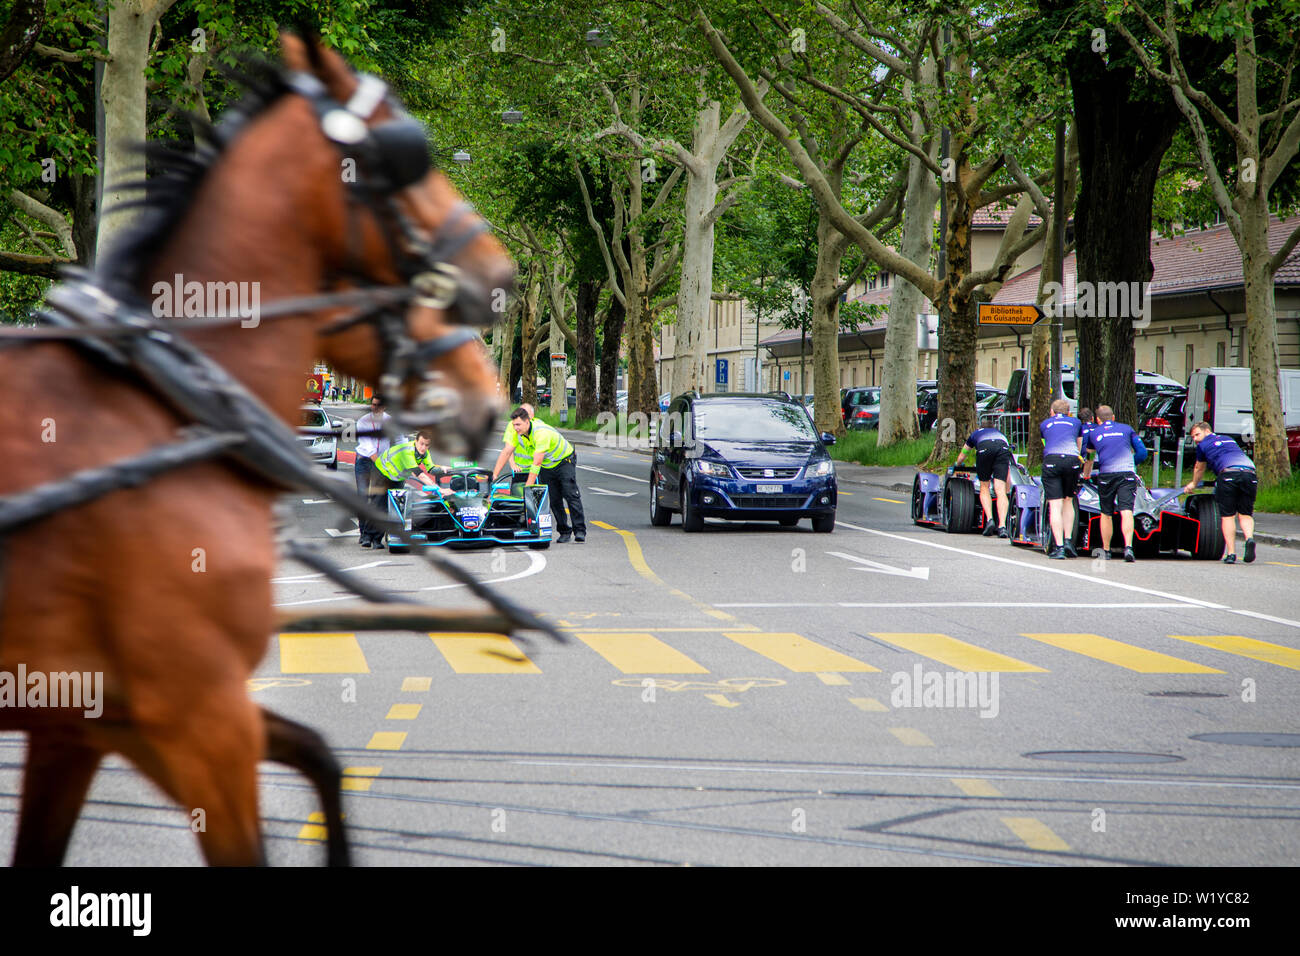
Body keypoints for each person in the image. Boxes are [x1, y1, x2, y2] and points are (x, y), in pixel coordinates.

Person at [490, 405, 587, 542]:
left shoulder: (540, 433)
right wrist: (494, 475)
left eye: (518, 424)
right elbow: (507, 452)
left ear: (527, 421)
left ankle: (580, 531)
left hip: (564, 461)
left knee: (570, 494)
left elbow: (536, 464)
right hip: (548, 465)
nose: (515, 428)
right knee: (553, 499)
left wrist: (527, 488)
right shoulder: (515, 430)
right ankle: (564, 531)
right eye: (514, 425)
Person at [1183, 423, 1258, 564]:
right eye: (1193, 437)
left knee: (1228, 516)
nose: (1195, 439)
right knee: (1245, 514)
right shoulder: (1229, 439)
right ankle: (1249, 538)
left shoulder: (1203, 446)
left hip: (1228, 474)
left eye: (1197, 434)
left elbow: (1199, 467)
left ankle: (1231, 554)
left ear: (1207, 431)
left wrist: (1193, 484)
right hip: (1250, 474)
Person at [1083, 405, 1148, 562]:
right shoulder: (1127, 429)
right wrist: (1132, 464)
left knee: (1106, 513)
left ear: (1097, 419)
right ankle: (1129, 547)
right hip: (1126, 473)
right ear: (1113, 417)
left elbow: (1089, 456)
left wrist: (1086, 474)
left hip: (1106, 475)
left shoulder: (1093, 433)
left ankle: (1106, 550)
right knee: (1126, 510)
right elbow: (1142, 452)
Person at [374, 428, 443, 550]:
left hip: (397, 477)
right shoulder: (407, 451)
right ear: (415, 441)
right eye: (421, 444)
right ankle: (371, 538)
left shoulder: (425, 453)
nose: (423, 447)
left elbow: (431, 468)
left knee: (399, 507)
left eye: (426, 445)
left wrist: (443, 469)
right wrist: (438, 489)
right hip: (383, 472)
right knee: (380, 505)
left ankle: (393, 534)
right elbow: (419, 473)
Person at [1039, 398, 1084, 559]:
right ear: (1068, 412)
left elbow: (1046, 443)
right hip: (1072, 461)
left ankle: (1058, 548)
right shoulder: (1076, 422)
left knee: (1055, 505)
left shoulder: (1045, 424)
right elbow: (1079, 445)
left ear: (1052, 412)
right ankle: (1068, 541)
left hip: (1052, 461)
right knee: (1068, 500)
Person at [953, 425, 1013, 538]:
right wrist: (1008, 491)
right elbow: (1008, 471)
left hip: (984, 449)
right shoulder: (1001, 435)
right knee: (1000, 490)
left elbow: (963, 454)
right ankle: (1002, 526)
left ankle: (990, 520)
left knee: (984, 486)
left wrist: (958, 465)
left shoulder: (975, 434)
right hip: (1002, 449)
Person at [353, 395, 392, 549]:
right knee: (363, 496)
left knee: (378, 498)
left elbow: (399, 440)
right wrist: (381, 464)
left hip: (382, 462)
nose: (374, 408)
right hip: (365, 461)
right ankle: (364, 534)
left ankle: (375, 536)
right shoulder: (363, 421)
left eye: (378, 405)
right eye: (373, 404)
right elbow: (367, 446)